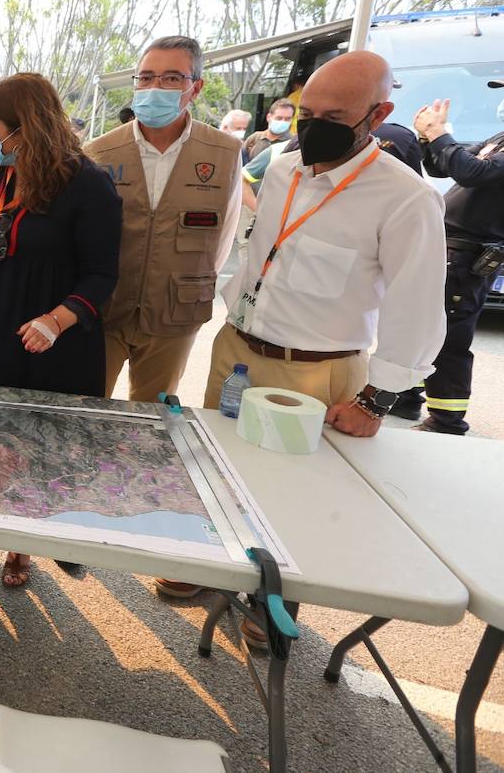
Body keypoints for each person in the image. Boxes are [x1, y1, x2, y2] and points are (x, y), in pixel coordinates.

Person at [197, 51, 447, 635]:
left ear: (378, 114)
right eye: (307, 112)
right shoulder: (283, 169)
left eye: (333, 115)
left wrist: (376, 401)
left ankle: (272, 598)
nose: (312, 126)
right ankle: (211, 567)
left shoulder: (406, 199)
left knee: (293, 500)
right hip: (237, 350)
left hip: (316, 371)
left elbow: (415, 308)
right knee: (216, 470)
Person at [0, 73, 122, 589]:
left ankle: (22, 543)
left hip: (44, 338)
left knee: (31, 443)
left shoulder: (88, 184)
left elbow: (102, 273)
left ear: (24, 130)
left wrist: (57, 319)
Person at [84, 35, 242, 404]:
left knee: (154, 413)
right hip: (106, 309)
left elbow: (224, 236)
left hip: (175, 311)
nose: (155, 87)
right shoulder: (99, 151)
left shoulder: (224, 153)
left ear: (196, 87)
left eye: (172, 79)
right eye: (145, 77)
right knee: (88, 404)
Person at [391, 84, 504, 434]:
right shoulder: (500, 138)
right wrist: (429, 139)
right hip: (450, 246)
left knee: (449, 336)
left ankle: (447, 420)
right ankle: (407, 396)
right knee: (421, 326)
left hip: (471, 251)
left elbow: (472, 172)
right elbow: (446, 167)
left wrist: (439, 133)